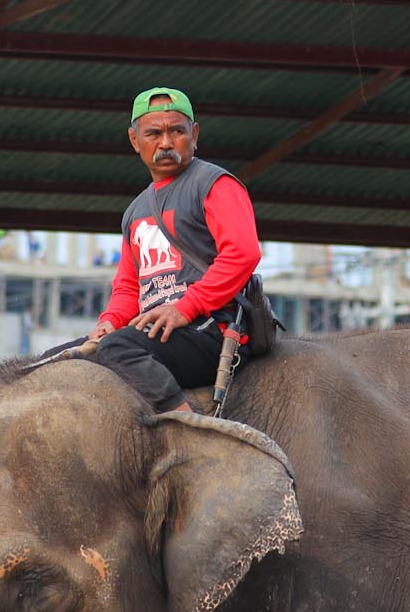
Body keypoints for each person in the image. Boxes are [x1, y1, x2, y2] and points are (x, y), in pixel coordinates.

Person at [53, 86, 264, 413]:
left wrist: (186, 307)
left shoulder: (214, 184)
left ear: (194, 134)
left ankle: (188, 427)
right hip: (157, 332)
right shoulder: (136, 210)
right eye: (153, 133)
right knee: (53, 361)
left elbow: (243, 254)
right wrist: (109, 320)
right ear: (135, 140)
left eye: (176, 131)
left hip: (209, 330)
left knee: (117, 349)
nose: (166, 142)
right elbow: (128, 285)